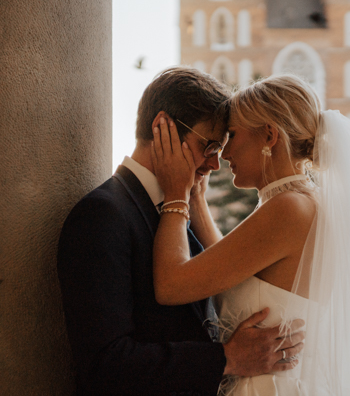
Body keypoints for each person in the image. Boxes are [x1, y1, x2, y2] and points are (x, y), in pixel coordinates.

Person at [151, 75, 350, 395]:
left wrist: (175, 196)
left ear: (269, 135)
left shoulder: (289, 210)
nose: (224, 154)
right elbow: (228, 269)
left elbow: (172, 286)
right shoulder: (303, 201)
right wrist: (196, 197)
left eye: (232, 135)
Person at [57, 67, 305, 396]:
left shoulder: (176, 212)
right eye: (209, 145)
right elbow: (106, 365)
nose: (216, 163)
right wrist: (226, 359)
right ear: (164, 127)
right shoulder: (102, 214)